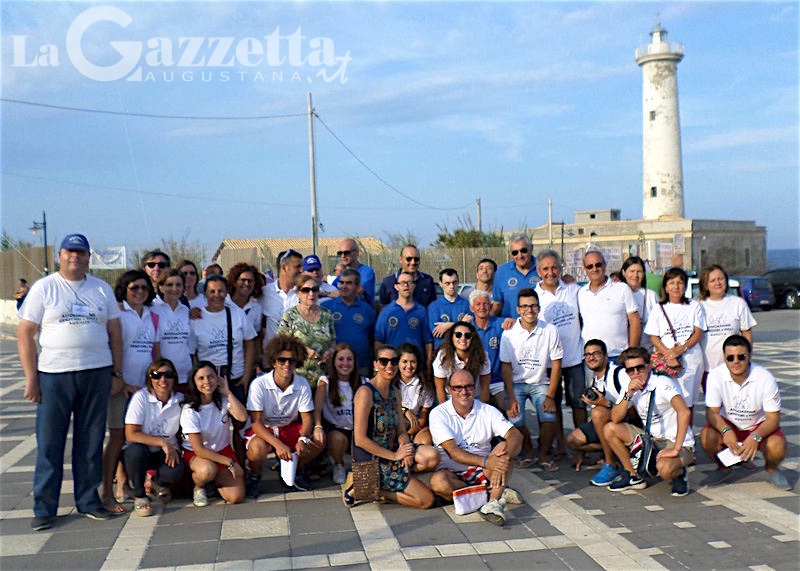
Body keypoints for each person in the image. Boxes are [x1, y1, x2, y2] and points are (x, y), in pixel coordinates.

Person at [18, 233, 123, 530]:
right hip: (54, 375)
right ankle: (44, 507)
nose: (74, 257)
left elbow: (116, 333)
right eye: (69, 251)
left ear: (88, 257)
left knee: (90, 442)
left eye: (80, 252)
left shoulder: (101, 289)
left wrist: (117, 373)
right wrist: (31, 378)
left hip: (96, 372)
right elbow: (25, 333)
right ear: (60, 255)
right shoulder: (44, 288)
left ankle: (89, 501)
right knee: (50, 443)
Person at [343, 345, 438, 509]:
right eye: (384, 361)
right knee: (427, 500)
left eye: (394, 361)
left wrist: (405, 448)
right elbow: (359, 439)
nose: (389, 366)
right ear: (375, 365)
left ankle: (374, 485)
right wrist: (394, 456)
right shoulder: (365, 393)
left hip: (393, 449)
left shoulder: (395, 392)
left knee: (432, 454)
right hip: (372, 457)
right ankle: (372, 489)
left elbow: (401, 430)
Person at [429, 370, 524, 526]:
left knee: (503, 447)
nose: (464, 392)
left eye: (468, 387)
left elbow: (516, 435)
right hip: (452, 472)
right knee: (438, 483)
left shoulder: (487, 410)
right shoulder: (438, 413)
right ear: (449, 389)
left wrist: (505, 457)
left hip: (483, 470)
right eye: (457, 387)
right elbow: (453, 452)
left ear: (475, 387)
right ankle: (494, 492)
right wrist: (488, 462)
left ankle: (492, 503)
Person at [103, 269, 161, 512]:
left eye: (143, 288)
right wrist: (119, 381)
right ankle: (115, 486)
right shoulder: (116, 313)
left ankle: (140, 481)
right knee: (118, 437)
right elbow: (108, 348)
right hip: (121, 386)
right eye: (134, 288)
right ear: (124, 289)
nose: (139, 292)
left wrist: (156, 382)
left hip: (145, 388)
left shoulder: (153, 316)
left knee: (138, 435)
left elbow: (155, 352)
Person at [700, 335, 790, 490]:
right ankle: (724, 468)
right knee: (707, 436)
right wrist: (726, 430)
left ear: (750, 356)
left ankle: (772, 468)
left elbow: (773, 418)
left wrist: (755, 437)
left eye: (741, 357)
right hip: (730, 424)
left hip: (757, 425)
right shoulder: (715, 376)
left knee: (777, 446)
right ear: (724, 357)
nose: (736, 362)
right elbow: (712, 412)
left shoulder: (765, 378)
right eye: (730, 357)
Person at [604, 346, 694, 496]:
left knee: (664, 469)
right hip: (651, 439)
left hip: (676, 441)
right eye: (630, 370)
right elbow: (615, 418)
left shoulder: (663, 383)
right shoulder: (631, 386)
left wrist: (676, 449)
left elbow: (684, 412)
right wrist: (628, 395)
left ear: (649, 366)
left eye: (640, 368)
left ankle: (679, 473)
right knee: (610, 429)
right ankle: (633, 476)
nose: (636, 373)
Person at [189, 274, 257, 466]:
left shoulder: (236, 314)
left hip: (234, 378)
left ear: (227, 292)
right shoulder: (197, 317)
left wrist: (245, 376)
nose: (216, 295)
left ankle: (243, 465)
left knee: (240, 425)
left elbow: (250, 343)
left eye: (220, 291)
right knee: (210, 427)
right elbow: (192, 353)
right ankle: (213, 465)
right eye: (212, 291)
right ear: (205, 293)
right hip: (207, 383)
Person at [246, 335, 323, 495]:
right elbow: (256, 423)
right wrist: (278, 444)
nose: (287, 364)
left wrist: (302, 439)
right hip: (265, 429)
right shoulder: (259, 384)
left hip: (289, 427)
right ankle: (255, 476)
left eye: (292, 361)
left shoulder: (302, 384)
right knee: (257, 448)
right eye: (282, 360)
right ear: (273, 361)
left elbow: (307, 418)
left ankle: (297, 470)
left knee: (318, 441)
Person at [501, 288, 563, 470]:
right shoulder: (509, 333)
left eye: (534, 306)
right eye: (525, 306)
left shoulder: (550, 330)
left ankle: (543, 454)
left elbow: (557, 364)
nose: (530, 310)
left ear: (539, 307)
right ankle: (528, 452)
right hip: (517, 383)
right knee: (515, 419)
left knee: (549, 417)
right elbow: (505, 365)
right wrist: (511, 397)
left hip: (540, 382)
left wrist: (551, 396)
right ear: (518, 309)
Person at [534, 250, 584, 460]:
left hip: (574, 358)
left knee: (579, 404)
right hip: (549, 362)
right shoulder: (534, 295)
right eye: (545, 268)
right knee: (552, 405)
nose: (550, 272)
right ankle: (560, 445)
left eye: (554, 267)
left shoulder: (573, 290)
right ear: (538, 271)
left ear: (561, 269)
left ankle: (583, 445)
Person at [565, 340, 633, 484]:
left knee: (598, 413)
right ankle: (617, 450)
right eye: (588, 355)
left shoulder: (618, 374)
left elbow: (632, 407)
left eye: (596, 353)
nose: (592, 358)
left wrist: (605, 403)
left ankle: (610, 464)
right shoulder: (595, 380)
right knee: (573, 440)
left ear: (606, 356)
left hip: (626, 421)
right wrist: (581, 452)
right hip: (609, 420)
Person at [123, 359, 185, 516]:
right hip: (143, 449)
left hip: (166, 452)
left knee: (176, 470)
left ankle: (157, 483)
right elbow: (130, 433)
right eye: (157, 375)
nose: (162, 380)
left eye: (168, 375)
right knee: (134, 452)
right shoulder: (141, 397)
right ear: (150, 378)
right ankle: (140, 495)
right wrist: (161, 442)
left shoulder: (180, 400)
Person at [180, 361, 247, 507]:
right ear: (194, 382)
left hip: (222, 450)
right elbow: (199, 449)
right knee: (207, 470)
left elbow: (242, 416)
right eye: (201, 378)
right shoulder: (189, 410)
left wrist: (228, 393)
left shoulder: (223, 400)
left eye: (211, 377)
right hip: (198, 455)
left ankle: (216, 482)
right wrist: (229, 462)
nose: (207, 382)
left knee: (236, 497)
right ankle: (199, 486)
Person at [645, 267, 706, 410]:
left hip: (691, 360)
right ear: (665, 287)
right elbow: (653, 336)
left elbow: (698, 333)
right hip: (666, 361)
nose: (676, 286)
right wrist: (668, 354)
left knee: (688, 403)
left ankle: (687, 432)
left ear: (685, 285)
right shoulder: (658, 308)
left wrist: (681, 350)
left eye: (680, 282)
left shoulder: (694, 306)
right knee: (669, 402)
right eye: (672, 282)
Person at [578, 248, 641, 362]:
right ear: (585, 269)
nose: (594, 269)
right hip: (591, 359)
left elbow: (634, 321)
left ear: (605, 265)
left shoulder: (622, 288)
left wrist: (631, 353)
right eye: (590, 266)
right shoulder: (581, 293)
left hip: (619, 355)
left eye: (598, 265)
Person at [698, 265, 757, 386]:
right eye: (712, 280)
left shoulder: (738, 303)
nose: (718, 283)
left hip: (734, 366)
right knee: (713, 404)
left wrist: (746, 357)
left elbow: (746, 332)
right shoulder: (697, 305)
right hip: (708, 368)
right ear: (705, 285)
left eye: (721, 279)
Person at [277, 273, 337, 389]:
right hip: (298, 377)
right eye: (306, 290)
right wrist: (304, 350)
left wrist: (330, 350)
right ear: (298, 292)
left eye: (314, 289)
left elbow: (333, 339)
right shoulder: (290, 315)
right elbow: (280, 343)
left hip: (323, 377)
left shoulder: (326, 314)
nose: (311, 294)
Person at [314, 343, 362, 484]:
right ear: (334, 362)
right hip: (336, 430)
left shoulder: (363, 382)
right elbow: (317, 410)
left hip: (357, 432)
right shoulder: (325, 382)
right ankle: (339, 464)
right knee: (336, 438)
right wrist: (318, 426)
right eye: (341, 359)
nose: (345, 363)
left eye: (349, 359)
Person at [325, 268, 376, 377]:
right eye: (341, 282)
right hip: (335, 367)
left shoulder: (367, 310)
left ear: (357, 287)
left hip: (361, 367)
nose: (344, 286)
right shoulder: (327, 308)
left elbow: (373, 339)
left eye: (349, 283)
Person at [374, 271, 433, 365]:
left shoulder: (422, 311)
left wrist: (429, 362)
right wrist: (379, 364)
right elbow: (379, 340)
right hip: (393, 363)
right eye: (402, 283)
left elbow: (428, 341)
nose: (406, 285)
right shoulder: (387, 312)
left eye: (409, 283)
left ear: (414, 286)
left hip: (415, 364)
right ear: (396, 286)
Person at [432, 321, 491, 404]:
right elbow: (440, 388)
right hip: (450, 398)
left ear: (472, 338)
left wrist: (481, 409)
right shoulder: (443, 356)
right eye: (458, 335)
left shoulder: (482, 355)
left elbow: (485, 387)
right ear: (451, 337)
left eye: (467, 335)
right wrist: (447, 411)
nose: (463, 338)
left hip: (475, 398)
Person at [152, 269, 193, 389]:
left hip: (185, 375)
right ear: (160, 287)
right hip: (163, 377)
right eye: (169, 285)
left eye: (178, 285)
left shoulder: (186, 311)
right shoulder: (152, 309)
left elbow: (190, 345)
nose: (174, 289)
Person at [469, 290, 506, 410]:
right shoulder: (467, 330)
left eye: (485, 304)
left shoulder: (501, 324)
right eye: (478, 304)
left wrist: (514, 321)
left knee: (507, 410)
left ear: (490, 306)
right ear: (471, 308)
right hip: (475, 382)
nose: (482, 307)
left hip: (497, 380)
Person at [226, 262, 266, 368]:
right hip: (226, 361)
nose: (247, 284)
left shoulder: (256, 308)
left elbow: (256, 336)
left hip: (247, 364)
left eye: (250, 281)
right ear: (234, 282)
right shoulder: (224, 303)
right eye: (243, 280)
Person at [492, 234, 538, 319]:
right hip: (511, 328)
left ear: (531, 248)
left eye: (523, 250)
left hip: (539, 327)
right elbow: (497, 304)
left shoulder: (543, 268)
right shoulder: (501, 272)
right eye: (515, 252)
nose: (520, 256)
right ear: (510, 254)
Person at [262, 249, 303, 344]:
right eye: (297, 267)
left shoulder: (304, 293)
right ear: (284, 268)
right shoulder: (265, 293)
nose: (301, 270)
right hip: (272, 355)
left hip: (296, 354)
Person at [397, 343, 435, 445]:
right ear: (398, 363)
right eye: (404, 362)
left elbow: (424, 414)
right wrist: (405, 411)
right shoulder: (391, 382)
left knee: (426, 440)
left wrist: (410, 432)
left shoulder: (424, 384)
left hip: (416, 426)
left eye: (413, 362)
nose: (409, 366)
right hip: (394, 424)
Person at [620, 256, 659, 352]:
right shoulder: (617, 294)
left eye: (639, 272)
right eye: (632, 271)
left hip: (648, 349)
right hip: (622, 350)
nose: (635, 275)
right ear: (624, 272)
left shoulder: (651, 295)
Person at [428, 268, 471, 349]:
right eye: (447, 283)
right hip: (442, 351)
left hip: (462, 351)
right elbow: (437, 332)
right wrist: (461, 323)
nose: (452, 286)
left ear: (458, 282)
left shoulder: (466, 304)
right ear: (441, 284)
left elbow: (469, 329)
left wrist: (447, 326)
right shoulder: (434, 307)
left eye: (454, 282)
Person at [333, 238, 376, 304]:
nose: (343, 256)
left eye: (347, 253)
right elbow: (333, 292)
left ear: (357, 253)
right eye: (340, 253)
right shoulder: (341, 276)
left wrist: (326, 293)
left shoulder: (367, 272)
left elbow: (354, 293)